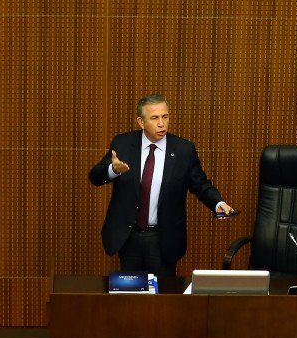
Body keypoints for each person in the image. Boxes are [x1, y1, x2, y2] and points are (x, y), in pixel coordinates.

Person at [89, 93, 234, 276]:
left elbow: (200, 184)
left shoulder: (183, 150)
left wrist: (218, 202)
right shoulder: (123, 143)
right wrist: (113, 170)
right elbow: (95, 177)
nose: (161, 123)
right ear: (141, 122)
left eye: (165, 117)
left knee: (163, 292)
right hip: (128, 236)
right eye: (154, 118)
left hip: (163, 237)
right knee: (132, 291)